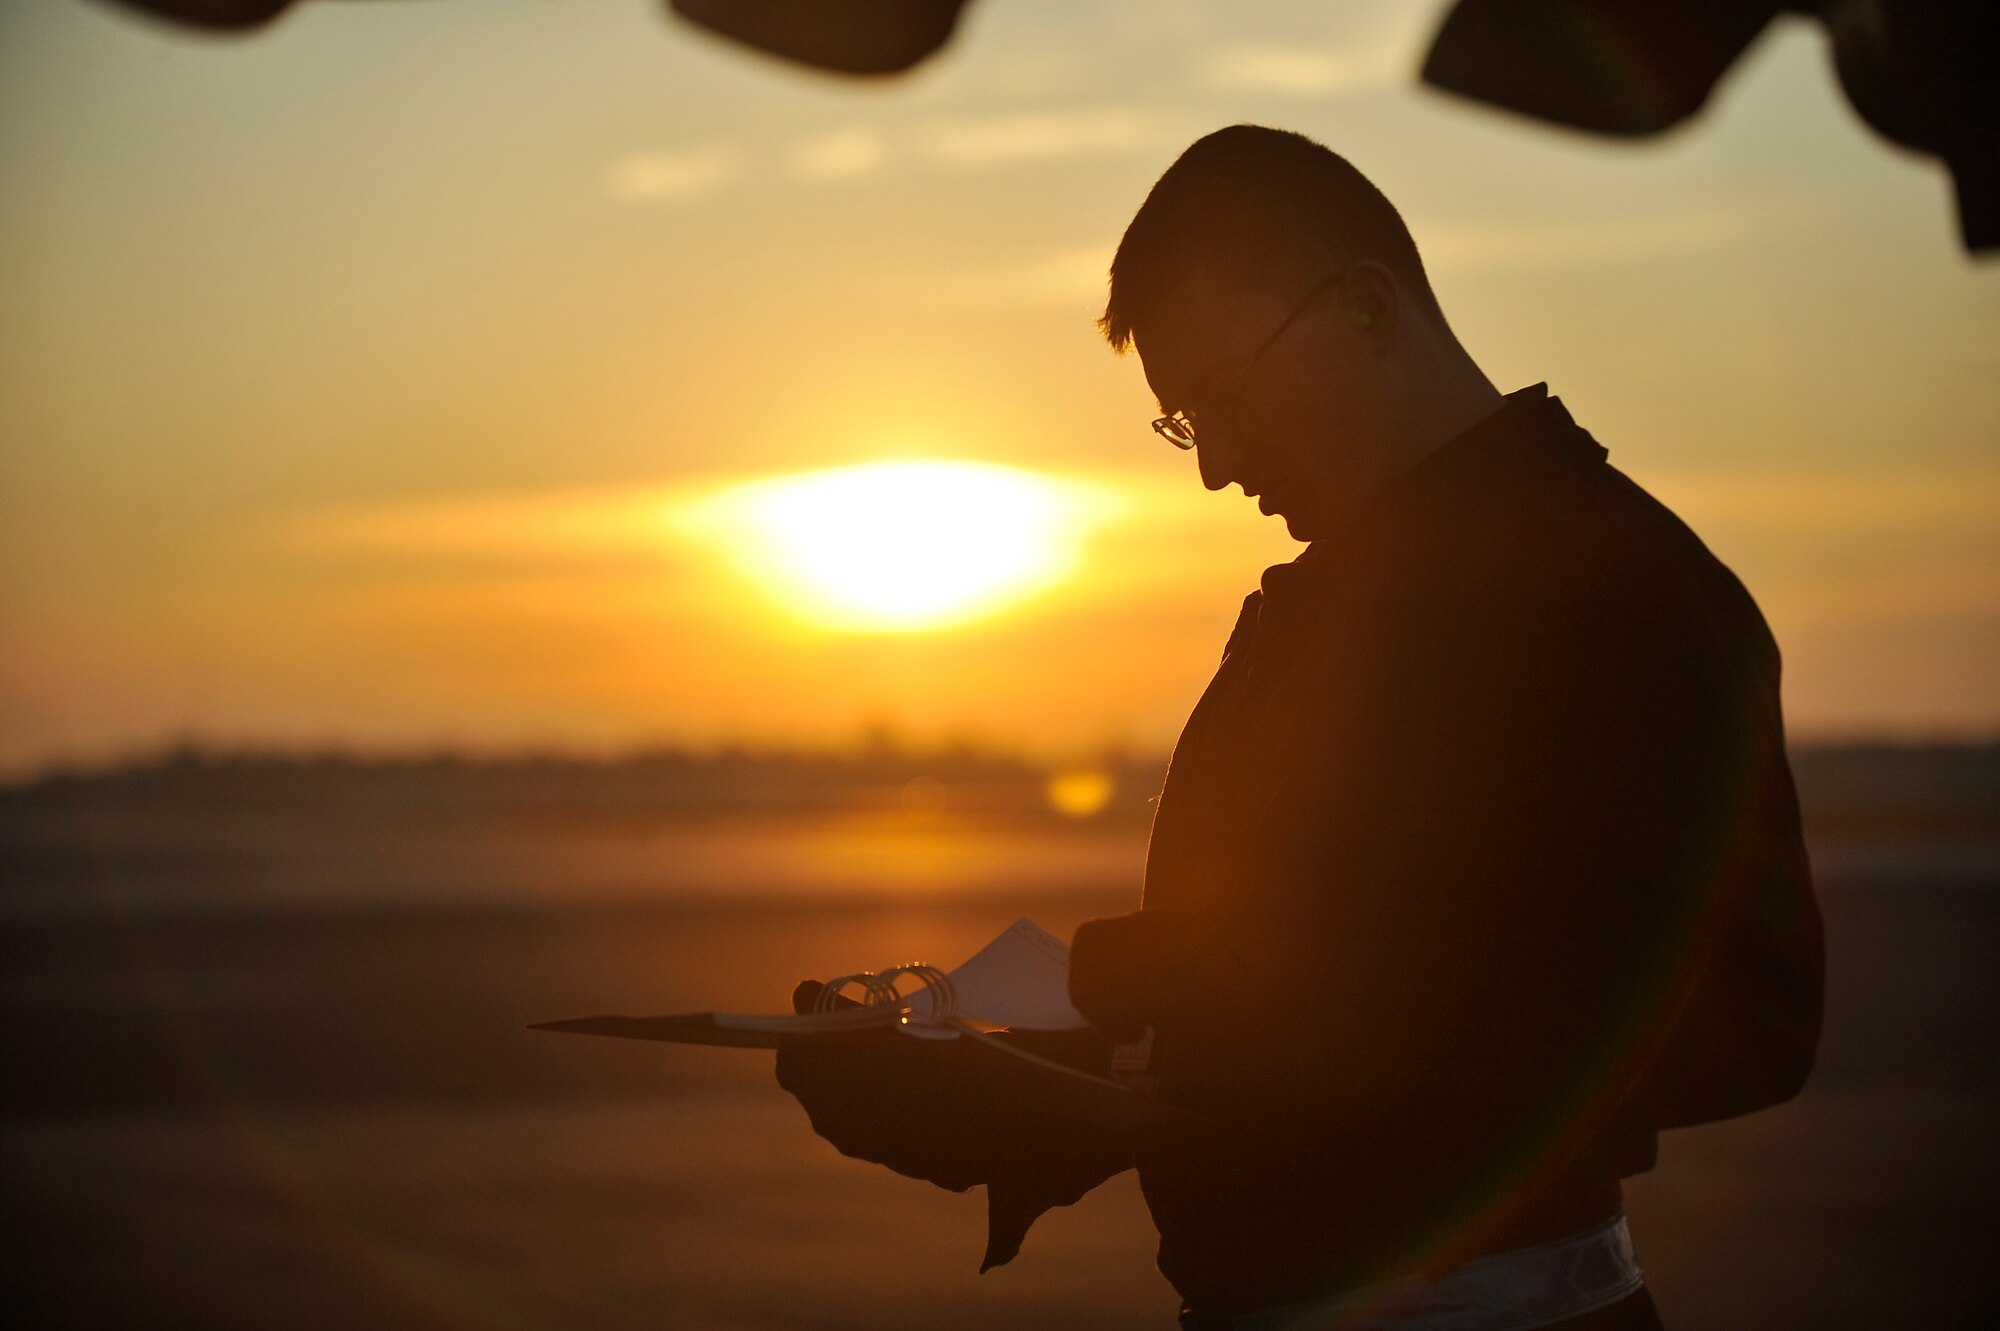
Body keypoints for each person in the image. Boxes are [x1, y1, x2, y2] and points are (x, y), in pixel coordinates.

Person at [776, 124, 1825, 1331]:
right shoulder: (1328, 611)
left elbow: (1744, 1024)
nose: (1215, 465)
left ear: (1369, 310)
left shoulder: (1615, 590)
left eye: (1220, 398)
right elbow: (1287, 991)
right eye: (1181, 424)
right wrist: (1029, 1085)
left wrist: (1155, 1042)